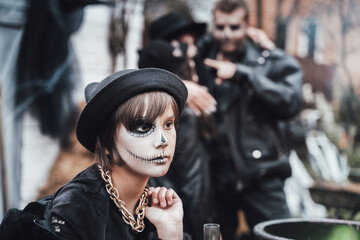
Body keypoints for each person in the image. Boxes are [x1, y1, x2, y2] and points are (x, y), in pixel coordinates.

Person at [0, 68, 190, 240]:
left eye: (168, 124)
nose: (163, 140)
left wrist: (171, 233)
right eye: (143, 127)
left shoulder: (156, 200)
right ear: (107, 142)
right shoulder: (77, 207)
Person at [194, 0, 303, 239]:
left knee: (279, 236)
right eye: (220, 27)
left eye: (234, 27)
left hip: (262, 175)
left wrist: (244, 75)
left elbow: (292, 102)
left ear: (248, 25)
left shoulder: (270, 60)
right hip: (217, 177)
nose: (226, 34)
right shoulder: (202, 58)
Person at [138, 40, 214, 240]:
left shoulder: (139, 115)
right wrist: (208, 232)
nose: (196, 76)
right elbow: (194, 185)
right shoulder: (181, 116)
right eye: (190, 69)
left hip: (152, 213)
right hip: (178, 217)